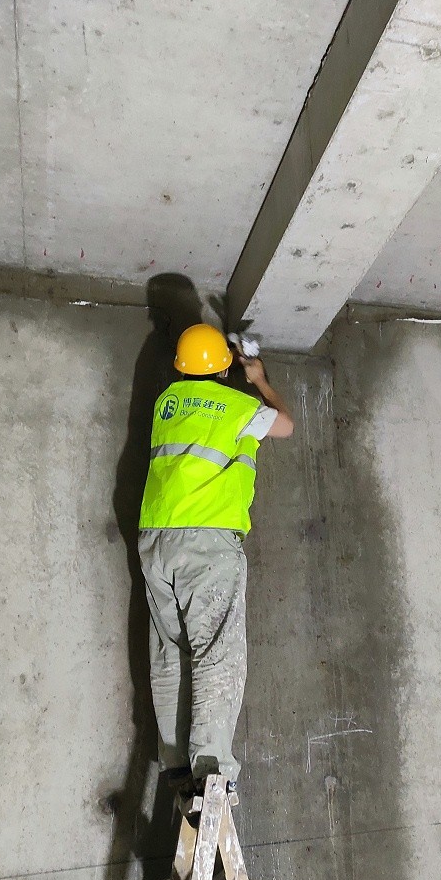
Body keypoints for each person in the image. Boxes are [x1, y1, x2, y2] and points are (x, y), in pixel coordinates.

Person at [138, 323, 294, 789]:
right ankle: (209, 770)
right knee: (216, 652)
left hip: (156, 541)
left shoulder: (166, 403)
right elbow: (284, 424)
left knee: (171, 651)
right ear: (224, 366)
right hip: (206, 543)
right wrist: (260, 379)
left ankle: (174, 762)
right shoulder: (239, 406)